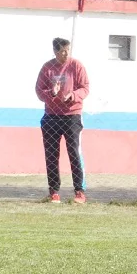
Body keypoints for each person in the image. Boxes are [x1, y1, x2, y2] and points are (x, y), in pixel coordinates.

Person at [35, 37, 90, 203]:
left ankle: (79, 191)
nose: (66, 54)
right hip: (51, 116)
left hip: (72, 116)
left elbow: (85, 88)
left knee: (74, 153)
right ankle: (54, 191)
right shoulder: (47, 68)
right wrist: (51, 93)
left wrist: (73, 95)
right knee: (51, 154)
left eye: (68, 50)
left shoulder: (76, 66)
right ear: (55, 51)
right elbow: (39, 91)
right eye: (62, 51)